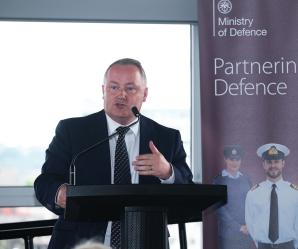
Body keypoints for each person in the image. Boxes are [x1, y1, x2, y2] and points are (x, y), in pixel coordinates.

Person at [34, 58, 194, 249]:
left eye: (130, 88)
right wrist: (59, 192)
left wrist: (168, 172)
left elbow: (189, 195)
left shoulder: (167, 138)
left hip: (146, 241)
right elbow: (45, 182)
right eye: (114, 87)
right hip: (80, 242)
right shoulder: (72, 131)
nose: (121, 95)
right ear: (103, 91)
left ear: (145, 94)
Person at [245, 143, 298, 249]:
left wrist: (291, 245)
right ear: (263, 165)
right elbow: (250, 223)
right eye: (269, 162)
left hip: (287, 245)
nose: (273, 165)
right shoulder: (253, 193)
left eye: (276, 161)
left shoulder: (295, 193)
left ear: (283, 163)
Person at [212, 145, 253, 249]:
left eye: (237, 159)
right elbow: (219, 208)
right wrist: (238, 227)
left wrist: (249, 225)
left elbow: (252, 204)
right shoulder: (218, 180)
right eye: (231, 159)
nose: (235, 162)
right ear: (225, 159)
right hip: (228, 234)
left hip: (246, 233)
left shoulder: (247, 179)